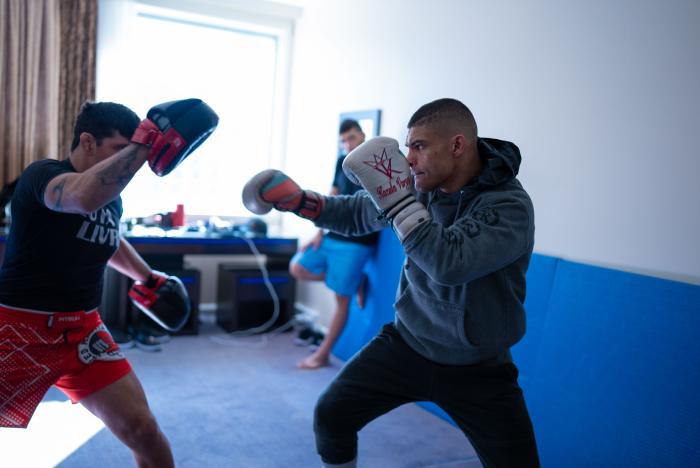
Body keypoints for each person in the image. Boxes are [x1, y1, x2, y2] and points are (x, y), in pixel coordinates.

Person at [243, 98, 540, 467]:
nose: (409, 159)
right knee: (332, 414)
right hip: (407, 346)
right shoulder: (421, 187)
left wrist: (396, 197)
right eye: (408, 147)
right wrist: (302, 202)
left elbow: (448, 263)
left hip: (479, 368)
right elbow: (357, 213)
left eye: (419, 146)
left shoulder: (508, 206)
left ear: (457, 145)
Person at [0, 99, 216, 467]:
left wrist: (147, 277)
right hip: (20, 328)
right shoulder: (43, 176)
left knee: (143, 429)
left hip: (84, 333)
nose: (131, 163)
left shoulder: (112, 199)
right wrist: (145, 143)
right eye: (121, 150)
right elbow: (80, 199)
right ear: (87, 142)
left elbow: (108, 236)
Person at [289, 119, 379, 369]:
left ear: (362, 135)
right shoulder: (341, 162)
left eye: (351, 137)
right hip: (335, 233)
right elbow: (332, 196)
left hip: (358, 239)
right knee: (298, 268)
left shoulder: (376, 161)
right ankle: (355, 282)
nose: (347, 143)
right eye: (343, 140)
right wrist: (319, 231)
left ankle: (323, 354)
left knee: (342, 299)